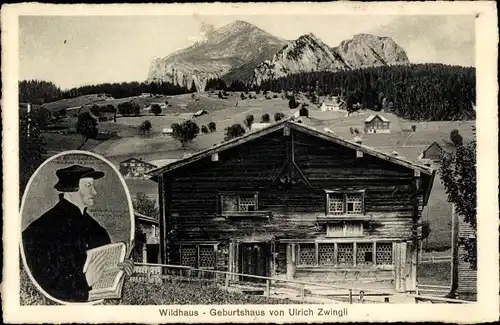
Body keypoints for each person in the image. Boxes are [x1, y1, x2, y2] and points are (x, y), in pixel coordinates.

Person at [22, 165, 134, 303]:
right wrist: (84, 281)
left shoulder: (97, 230)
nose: (94, 192)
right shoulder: (40, 230)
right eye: (88, 186)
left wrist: (119, 269)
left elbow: (106, 275)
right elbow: (43, 284)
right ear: (71, 189)